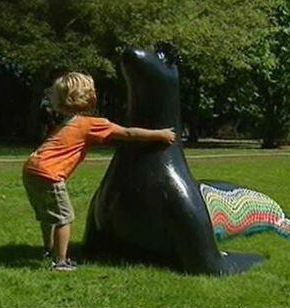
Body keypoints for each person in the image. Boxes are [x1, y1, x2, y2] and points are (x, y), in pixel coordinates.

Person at [22, 72, 176, 271]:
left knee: (48, 214)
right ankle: (60, 262)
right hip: (48, 174)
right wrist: (160, 134)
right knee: (64, 218)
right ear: (89, 97)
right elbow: (127, 133)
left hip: (32, 169)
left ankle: (48, 248)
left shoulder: (66, 122)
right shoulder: (91, 124)